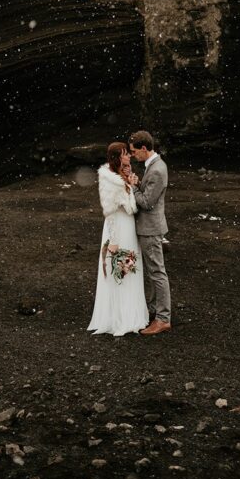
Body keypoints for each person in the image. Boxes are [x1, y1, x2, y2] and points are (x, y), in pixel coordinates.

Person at [87, 142, 150, 336]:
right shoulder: (109, 179)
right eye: (125, 154)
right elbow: (110, 212)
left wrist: (133, 185)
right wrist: (113, 240)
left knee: (130, 268)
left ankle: (131, 313)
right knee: (118, 269)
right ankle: (117, 317)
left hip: (129, 227)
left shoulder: (122, 175)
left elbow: (130, 202)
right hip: (118, 229)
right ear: (117, 157)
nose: (129, 156)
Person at [129, 130, 172, 335]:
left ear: (144, 148)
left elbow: (147, 203)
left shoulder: (156, 170)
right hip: (150, 228)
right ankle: (154, 309)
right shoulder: (153, 166)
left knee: (157, 272)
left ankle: (163, 318)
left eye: (134, 152)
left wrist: (133, 188)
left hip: (150, 229)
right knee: (154, 271)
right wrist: (138, 183)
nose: (133, 156)